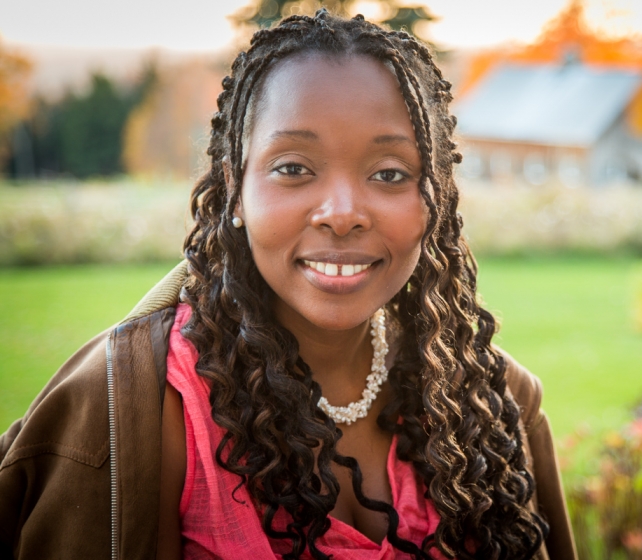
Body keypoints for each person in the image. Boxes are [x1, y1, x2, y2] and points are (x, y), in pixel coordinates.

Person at [0, 10, 577, 560]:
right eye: (294, 168)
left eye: (389, 174)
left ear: (435, 201)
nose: (342, 212)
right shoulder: (137, 411)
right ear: (236, 188)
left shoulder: (490, 403)